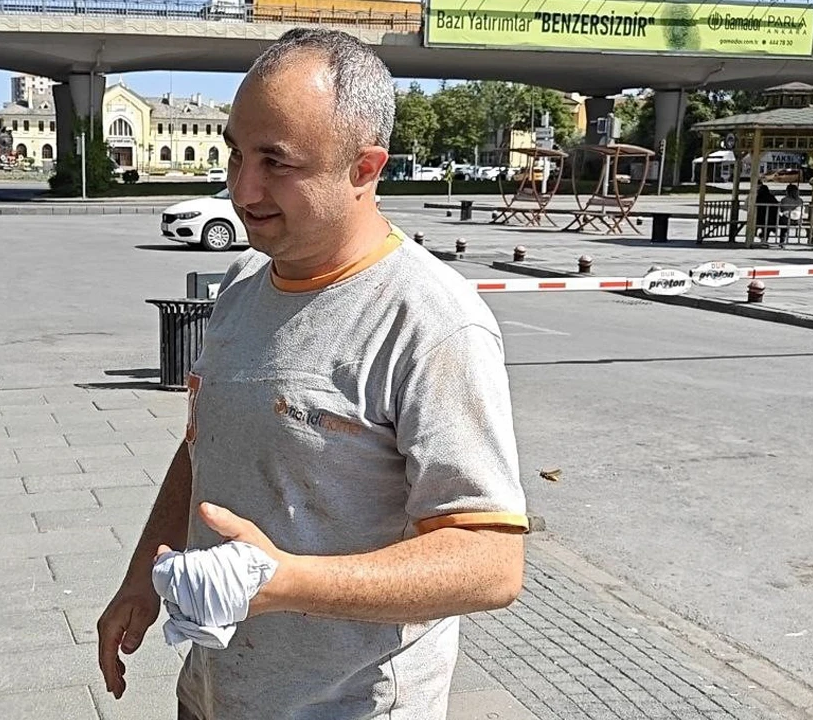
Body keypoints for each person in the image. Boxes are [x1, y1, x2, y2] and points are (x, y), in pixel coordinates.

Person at [97, 28, 527, 720]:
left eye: (277, 162)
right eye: (236, 153)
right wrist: (143, 574)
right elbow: (203, 446)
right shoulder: (243, 284)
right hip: (211, 695)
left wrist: (290, 583)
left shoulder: (430, 321)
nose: (243, 188)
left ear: (365, 168)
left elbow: (490, 563)